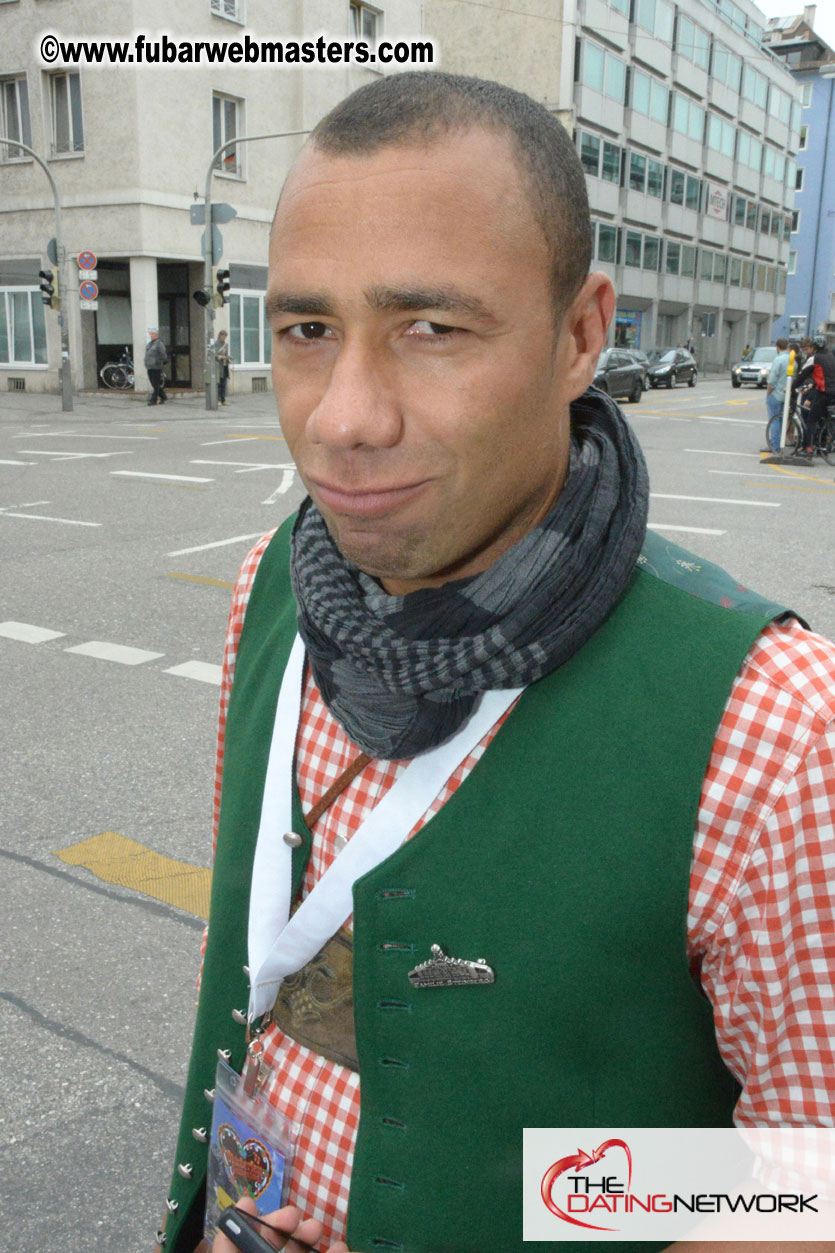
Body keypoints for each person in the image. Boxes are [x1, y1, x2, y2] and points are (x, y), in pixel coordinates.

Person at [158, 73, 835, 1253]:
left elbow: (805, 1167)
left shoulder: (773, 719)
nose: (343, 418)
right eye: (308, 330)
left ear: (581, 334)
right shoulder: (269, 585)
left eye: (432, 328)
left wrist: (531, 1191)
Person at [793, 335, 835, 452]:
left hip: (823, 393)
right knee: (824, 419)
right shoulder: (830, 356)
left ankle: (809, 448)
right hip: (833, 393)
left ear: (814, 347)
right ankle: (823, 447)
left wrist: (792, 388)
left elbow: (802, 376)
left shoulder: (815, 358)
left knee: (811, 420)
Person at [765, 337, 790, 452]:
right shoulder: (792, 360)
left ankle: (775, 445)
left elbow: (772, 378)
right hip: (787, 394)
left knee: (774, 420)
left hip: (776, 394)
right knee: (781, 420)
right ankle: (780, 443)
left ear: (777, 347)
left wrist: (769, 391)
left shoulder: (778, 360)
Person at [145, 327, 169, 405]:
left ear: (156, 335)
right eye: (150, 334)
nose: (150, 335)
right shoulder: (150, 343)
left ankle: (153, 400)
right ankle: (163, 396)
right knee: (154, 384)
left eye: (152, 334)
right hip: (149, 366)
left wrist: (160, 362)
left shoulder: (159, 344)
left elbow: (163, 355)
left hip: (156, 367)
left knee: (155, 384)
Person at [214, 330, 232, 405]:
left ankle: (223, 400)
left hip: (224, 366)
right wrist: (221, 357)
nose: (225, 338)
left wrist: (228, 357)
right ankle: (218, 400)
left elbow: (226, 354)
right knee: (219, 385)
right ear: (220, 335)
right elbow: (214, 355)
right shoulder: (216, 344)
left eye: (226, 336)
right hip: (219, 367)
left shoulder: (225, 344)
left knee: (224, 384)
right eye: (224, 336)